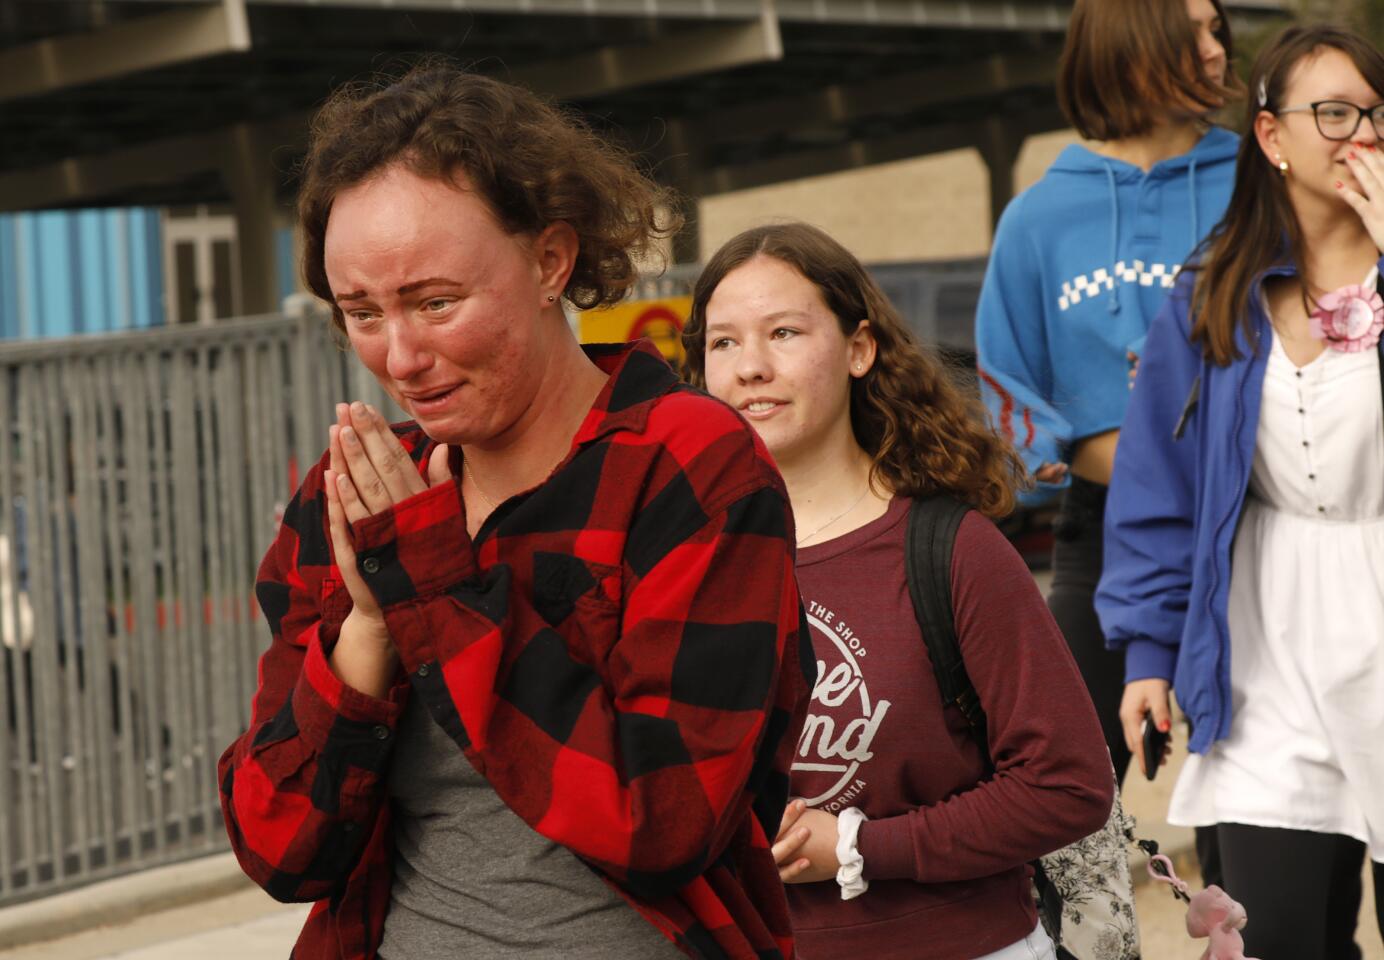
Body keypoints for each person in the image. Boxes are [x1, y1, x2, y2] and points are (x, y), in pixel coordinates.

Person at [218, 62, 814, 960]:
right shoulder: (350, 501)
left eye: (436, 302)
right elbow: (281, 850)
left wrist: (434, 587)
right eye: (361, 313)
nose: (401, 355)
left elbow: (664, 819)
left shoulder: (689, 464)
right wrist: (371, 628)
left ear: (550, 259)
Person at [685, 222, 1115, 960]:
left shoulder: (951, 550)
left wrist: (860, 845)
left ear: (859, 349)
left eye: (783, 332)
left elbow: (1067, 784)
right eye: (722, 343)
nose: (750, 366)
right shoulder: (683, 562)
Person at [1097, 24, 1384, 958]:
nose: (1362, 136)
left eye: (1378, 115)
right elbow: (1157, 489)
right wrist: (1148, 648)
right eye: (1334, 113)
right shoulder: (1212, 293)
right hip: (1267, 652)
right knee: (1279, 938)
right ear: (1270, 138)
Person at [974, 0, 1238, 786]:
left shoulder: (1262, 184)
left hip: (1250, 523)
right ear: (1129, 43)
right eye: (1192, 31)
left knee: (1241, 793)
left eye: (1216, 28)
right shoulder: (1040, 216)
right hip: (1102, 533)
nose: (1216, 50)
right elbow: (1006, 376)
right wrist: (1064, 455)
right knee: (1063, 784)